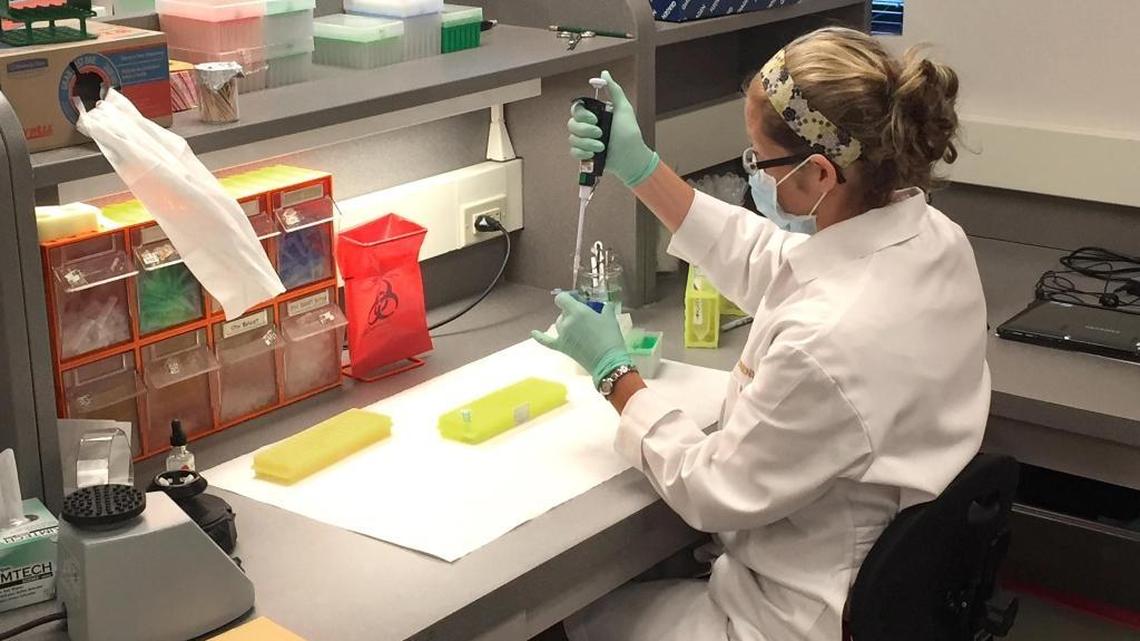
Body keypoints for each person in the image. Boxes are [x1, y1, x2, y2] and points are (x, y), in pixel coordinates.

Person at [530, 27, 990, 641]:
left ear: (820, 173)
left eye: (759, 159)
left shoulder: (825, 343)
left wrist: (615, 372)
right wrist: (642, 171)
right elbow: (778, 265)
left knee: (561, 618)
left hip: (784, 621)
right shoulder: (935, 239)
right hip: (857, 579)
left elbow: (711, 488)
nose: (755, 174)